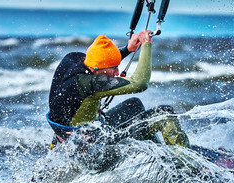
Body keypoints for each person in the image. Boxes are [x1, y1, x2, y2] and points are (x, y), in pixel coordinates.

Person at [47, 30, 189, 150]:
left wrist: (127, 49)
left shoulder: (74, 60)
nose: (117, 71)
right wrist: (146, 44)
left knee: (134, 105)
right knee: (164, 115)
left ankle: (160, 155)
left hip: (79, 136)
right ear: (98, 69)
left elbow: (102, 59)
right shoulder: (89, 83)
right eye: (113, 68)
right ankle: (184, 166)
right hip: (93, 150)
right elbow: (140, 83)